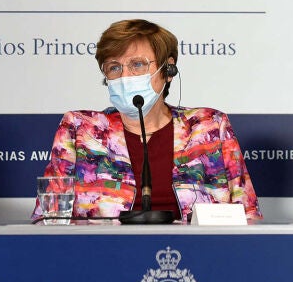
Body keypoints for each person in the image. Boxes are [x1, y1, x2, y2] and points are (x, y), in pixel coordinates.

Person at [33, 19, 260, 221]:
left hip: (197, 251)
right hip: (103, 251)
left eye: (137, 64)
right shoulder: (80, 129)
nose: (125, 76)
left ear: (168, 70)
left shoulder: (209, 125)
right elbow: (47, 219)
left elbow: (248, 215)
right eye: (114, 67)